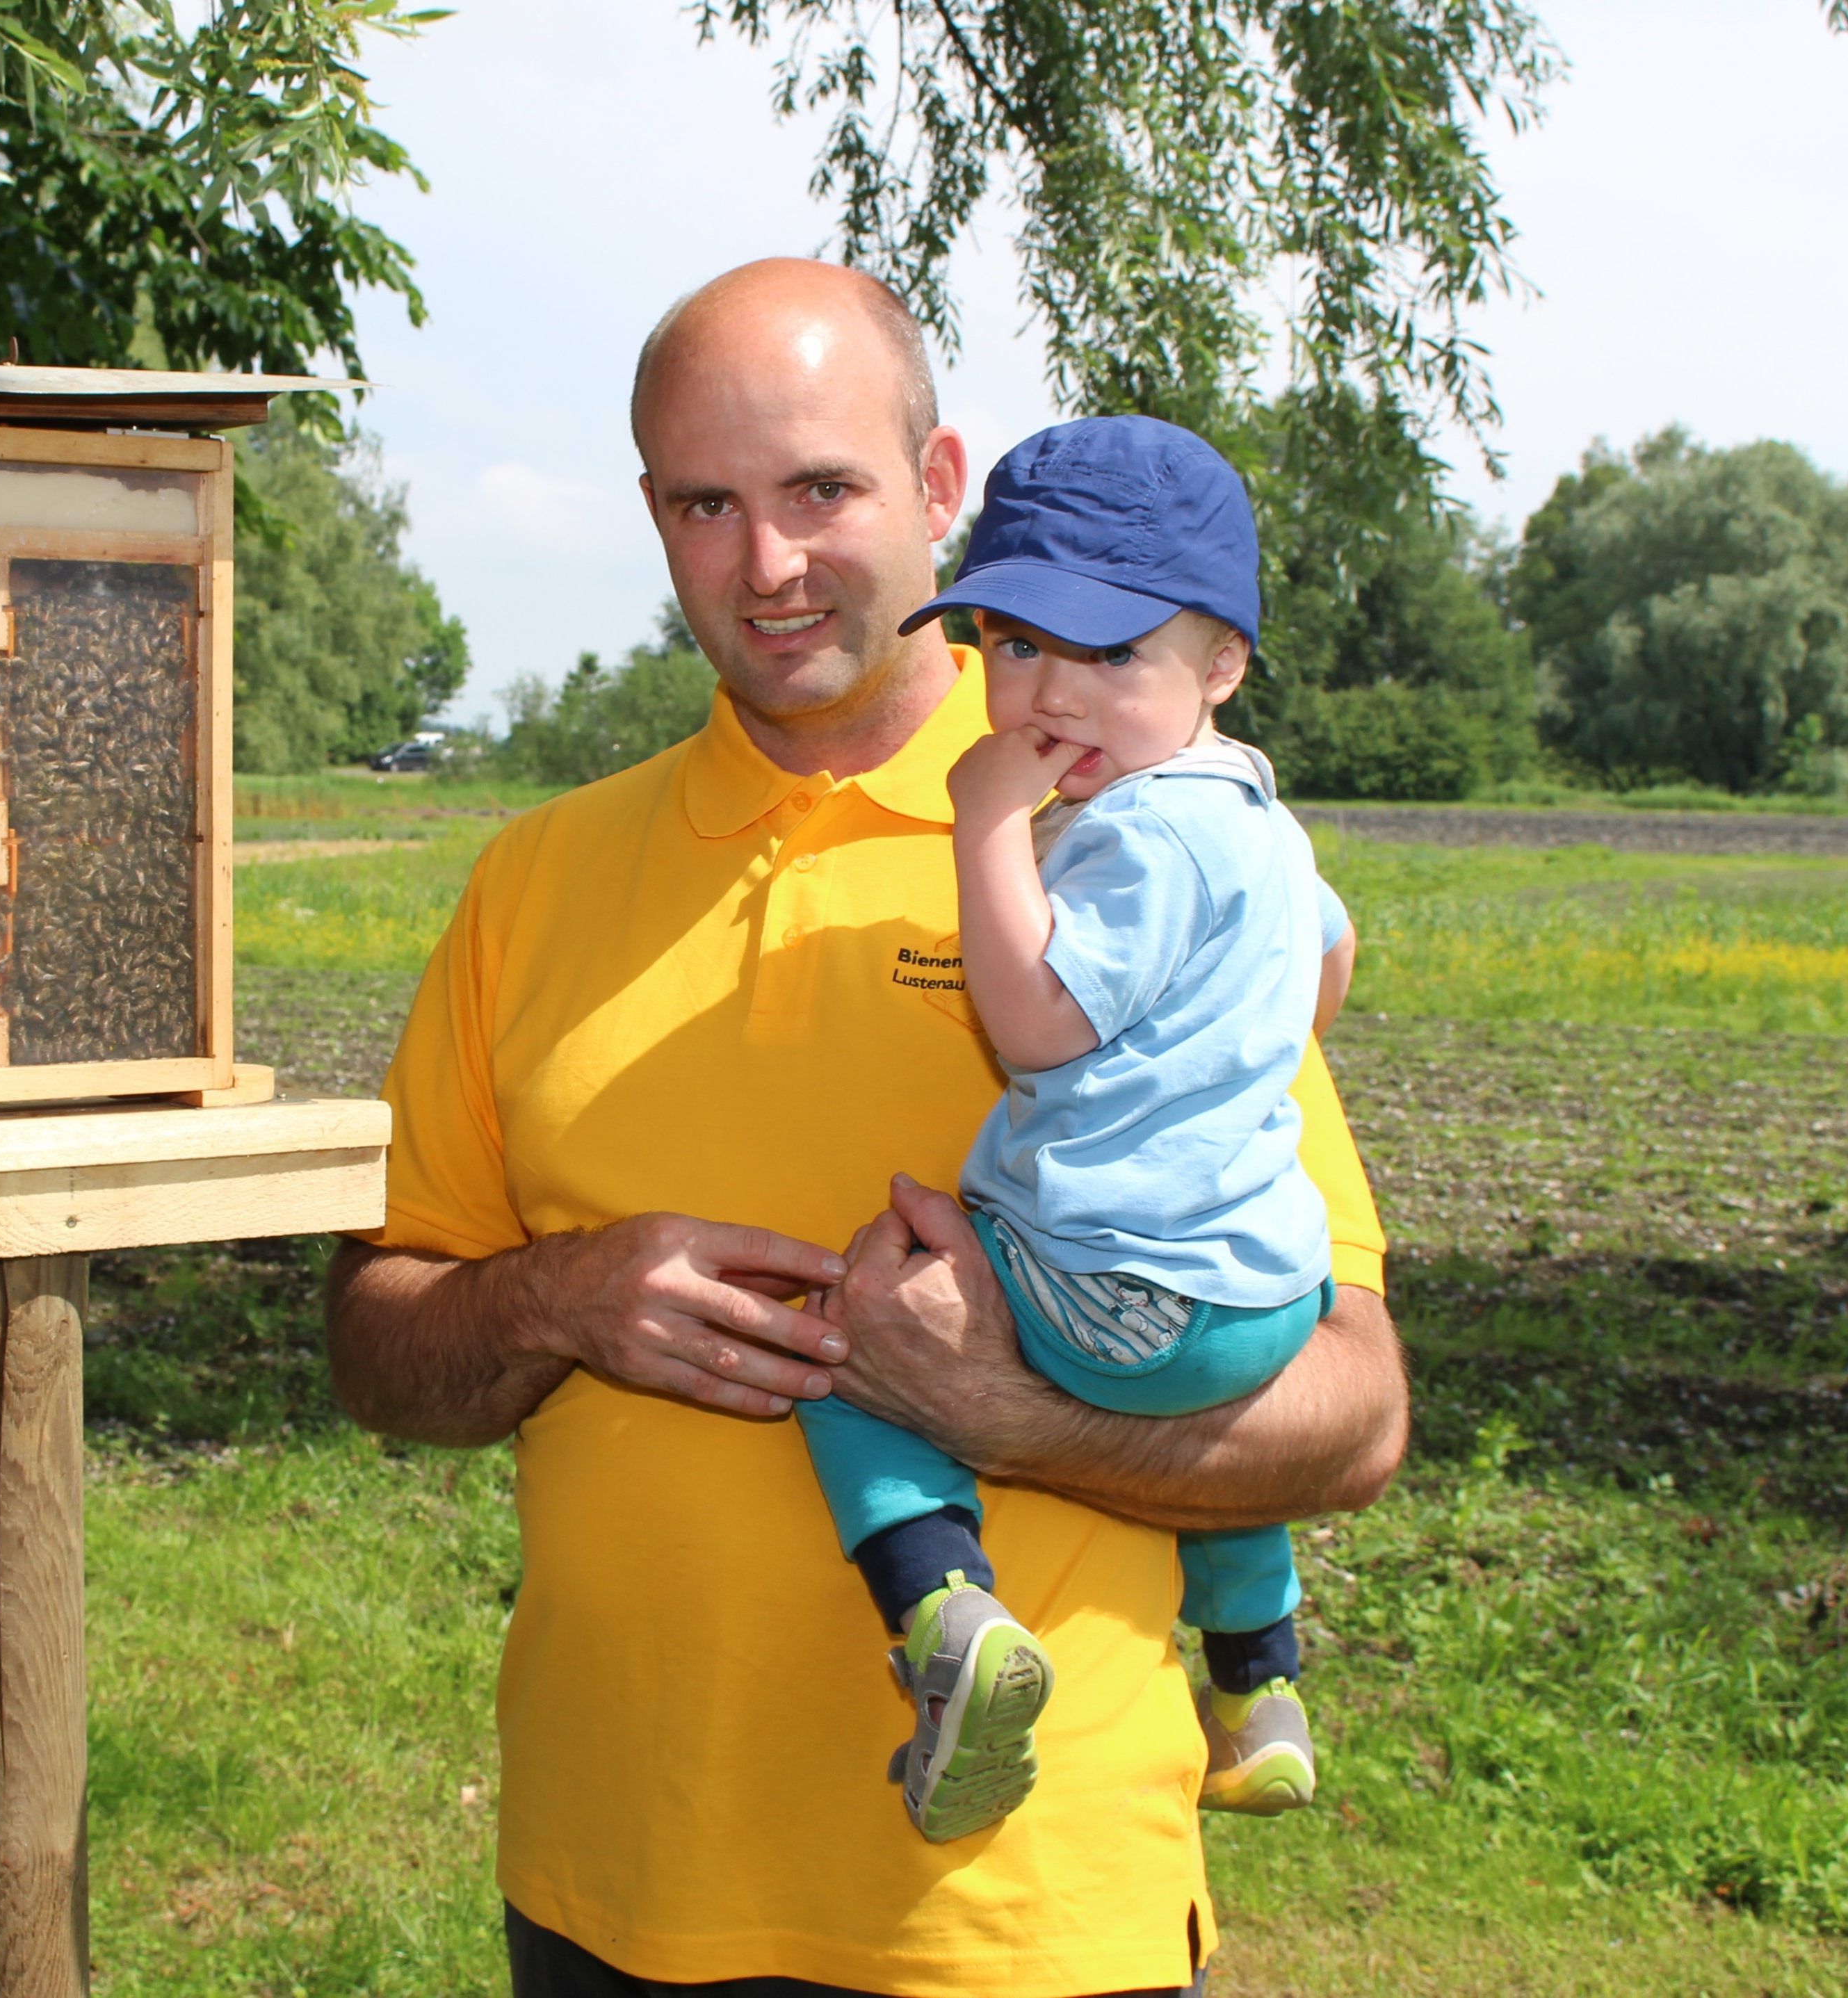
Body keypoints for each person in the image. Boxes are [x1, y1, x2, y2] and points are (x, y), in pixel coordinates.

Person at [327, 257, 1404, 1998]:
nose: (766, 566)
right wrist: (554, 1297)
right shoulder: (531, 885)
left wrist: (1004, 1406)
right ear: (654, 516)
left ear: (937, 482)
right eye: (706, 504)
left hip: (1023, 1928)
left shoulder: (1131, 850)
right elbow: (381, 1353)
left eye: (819, 489)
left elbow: (1348, 1416)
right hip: (611, 1898)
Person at [795, 416, 1340, 1844]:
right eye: (1014, 647)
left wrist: (982, 824)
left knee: (856, 1335)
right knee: (1220, 1438)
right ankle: (1256, 1685)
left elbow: (1032, 1025)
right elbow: (1325, 974)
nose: (1049, 698)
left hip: (1114, 1294)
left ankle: (941, 1616)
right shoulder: (1262, 822)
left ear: (1219, 664)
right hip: (1266, 1294)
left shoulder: (1130, 833)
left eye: (1109, 657)